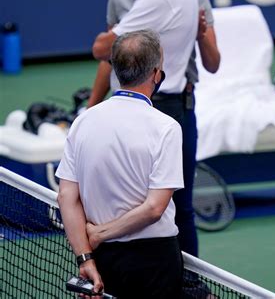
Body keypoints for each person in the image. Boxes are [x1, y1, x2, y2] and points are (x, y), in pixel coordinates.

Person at [90, 0, 220, 257]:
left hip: (178, 106)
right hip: (130, 106)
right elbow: (108, 58)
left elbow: (213, 63)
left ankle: (190, 284)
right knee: (128, 203)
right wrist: (91, 110)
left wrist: (198, 30)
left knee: (181, 207)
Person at [56, 29, 184, 297]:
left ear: (115, 70)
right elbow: (154, 208)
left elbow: (67, 196)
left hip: (102, 260)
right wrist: (100, 234)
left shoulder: (83, 121)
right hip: (154, 261)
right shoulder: (166, 127)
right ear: (156, 74)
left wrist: (85, 258)